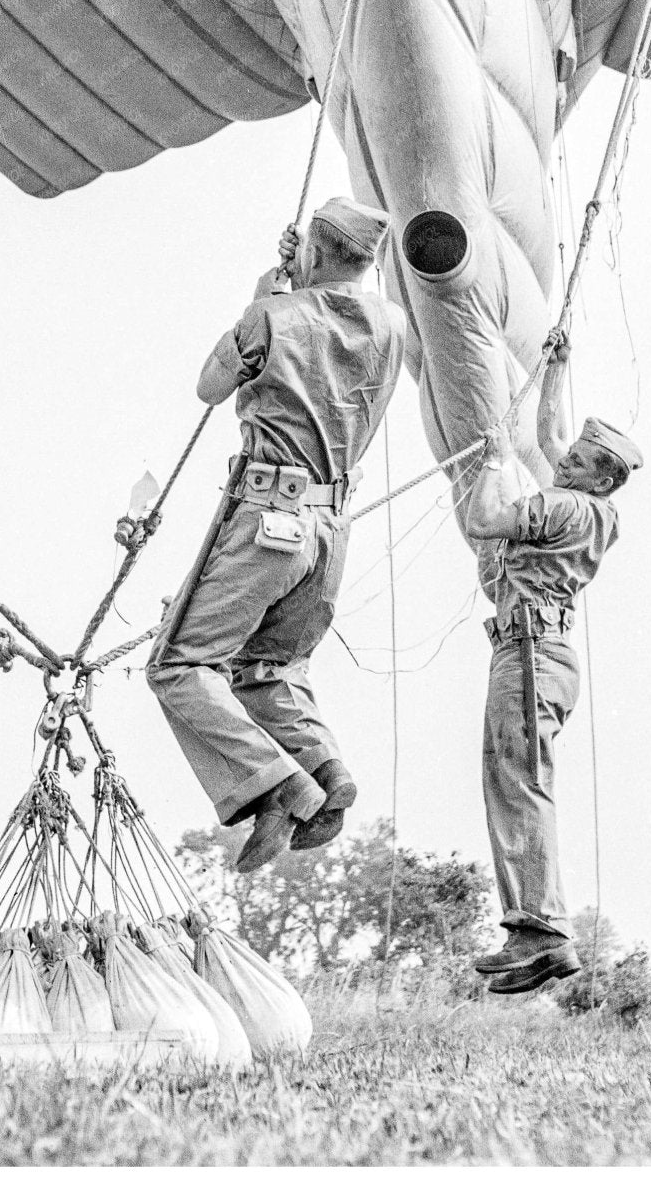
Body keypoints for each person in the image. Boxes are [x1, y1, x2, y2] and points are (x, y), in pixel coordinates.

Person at [148, 197, 409, 874]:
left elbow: (210, 386)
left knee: (179, 666)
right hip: (330, 529)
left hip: (268, 517)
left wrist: (268, 290)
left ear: (315, 252)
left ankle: (281, 784)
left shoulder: (274, 315)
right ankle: (324, 769)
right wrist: (301, 282)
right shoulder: (393, 327)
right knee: (269, 669)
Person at [458, 329, 643, 995]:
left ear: (604, 477)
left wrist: (489, 463)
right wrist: (558, 372)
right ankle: (532, 930)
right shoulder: (598, 510)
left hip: (528, 653)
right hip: (545, 653)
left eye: (583, 461)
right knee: (514, 779)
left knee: (519, 782)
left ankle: (540, 927)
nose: (566, 464)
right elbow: (551, 440)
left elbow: (483, 521)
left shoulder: (560, 505)